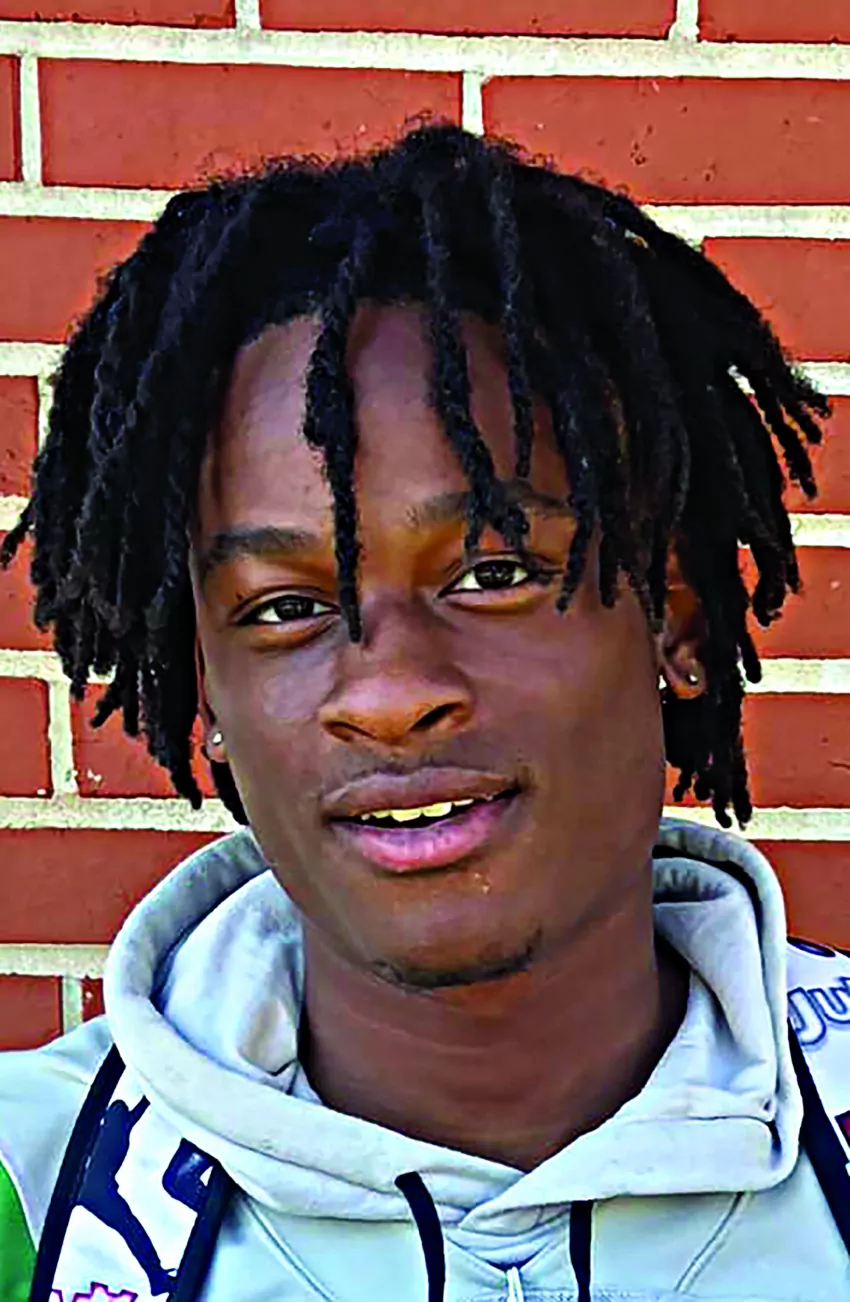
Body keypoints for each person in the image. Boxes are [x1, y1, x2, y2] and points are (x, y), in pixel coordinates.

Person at [0, 122, 846, 1302]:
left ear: (675, 624)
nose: (389, 693)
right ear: (209, 698)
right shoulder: (28, 1192)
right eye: (284, 607)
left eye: (492, 574)